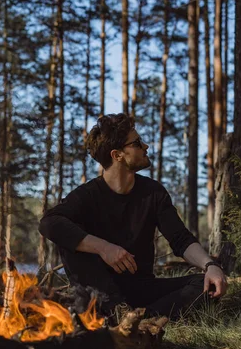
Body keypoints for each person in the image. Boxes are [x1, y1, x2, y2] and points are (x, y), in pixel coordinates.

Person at [39, 113, 227, 319]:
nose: (145, 146)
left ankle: (142, 319)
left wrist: (211, 266)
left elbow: (180, 239)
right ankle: (116, 313)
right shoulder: (87, 195)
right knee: (66, 235)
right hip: (99, 294)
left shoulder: (153, 193)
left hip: (141, 290)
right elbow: (49, 223)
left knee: (205, 285)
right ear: (117, 155)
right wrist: (104, 248)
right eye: (137, 143)